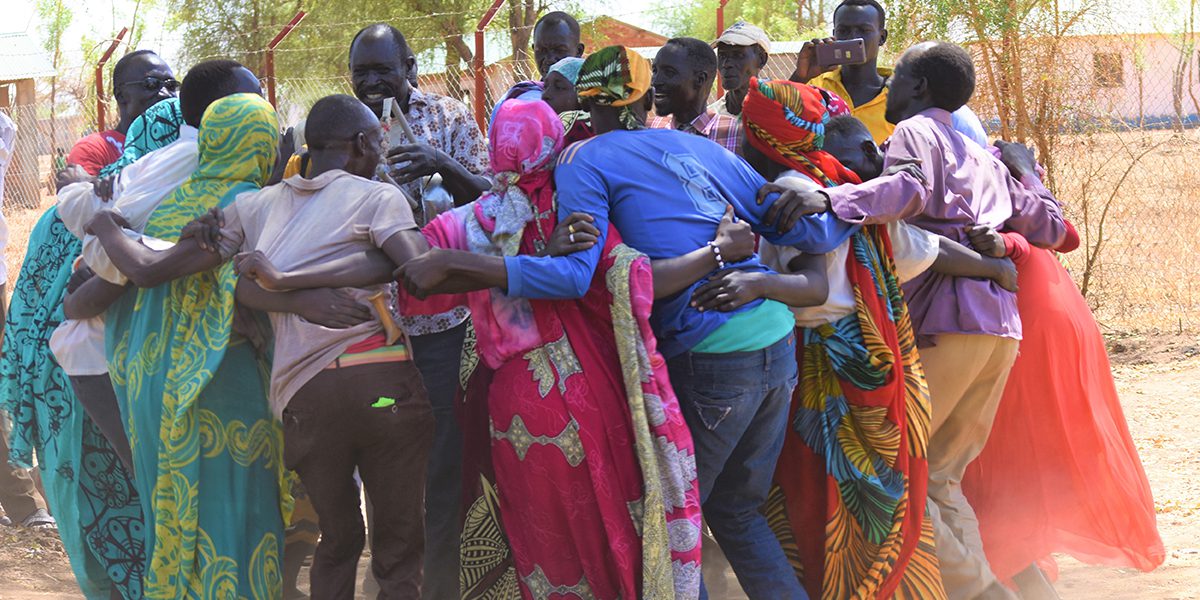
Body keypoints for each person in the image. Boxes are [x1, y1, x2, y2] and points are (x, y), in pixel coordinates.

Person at [397, 45, 858, 599]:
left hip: (709, 355)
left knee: (666, 531)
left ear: (581, 106)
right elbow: (806, 232)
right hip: (775, 345)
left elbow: (573, 276)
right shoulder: (700, 148)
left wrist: (478, 268)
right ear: (645, 98)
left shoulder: (581, 161)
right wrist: (828, 200)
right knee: (735, 510)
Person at [779, 42, 1068, 600]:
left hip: (944, 320)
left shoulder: (917, 132)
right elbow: (1051, 228)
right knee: (940, 478)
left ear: (921, 91)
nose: (892, 89)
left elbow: (907, 189)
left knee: (900, 477)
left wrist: (833, 200)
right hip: (1000, 329)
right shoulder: (981, 154)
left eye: (901, 80)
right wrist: (1028, 175)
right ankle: (992, 591)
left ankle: (985, 593)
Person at [719, 85, 1014, 598]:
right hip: (879, 363)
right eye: (865, 147)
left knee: (824, 503)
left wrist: (756, 281)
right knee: (885, 500)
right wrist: (993, 267)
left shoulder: (800, 192)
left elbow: (818, 284)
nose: (877, 155)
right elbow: (928, 247)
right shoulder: (843, 190)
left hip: (823, 369)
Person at [86, 93, 287, 598]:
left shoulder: (166, 203)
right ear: (261, 143)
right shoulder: (255, 203)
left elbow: (116, 291)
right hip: (225, 380)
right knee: (237, 509)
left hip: (153, 387)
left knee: (175, 513)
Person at [350, 23, 489, 597]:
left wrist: (441, 165)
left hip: (442, 330)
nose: (374, 82)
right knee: (387, 461)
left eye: (385, 69)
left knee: (441, 462)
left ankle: (440, 587)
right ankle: (395, 584)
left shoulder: (450, 120)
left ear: (410, 68)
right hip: (375, 333)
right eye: (363, 72)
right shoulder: (345, 130)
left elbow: (497, 201)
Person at [961, 228, 1164, 592]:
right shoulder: (1017, 175)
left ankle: (1017, 583)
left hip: (1020, 315)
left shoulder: (960, 173)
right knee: (1000, 468)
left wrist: (1011, 243)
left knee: (990, 468)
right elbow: (1063, 234)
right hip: (1047, 302)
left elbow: (1058, 234)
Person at [792, 0, 987, 146]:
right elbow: (774, 129)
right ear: (834, 33)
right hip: (823, 194)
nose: (853, 38)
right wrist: (800, 78)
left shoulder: (909, 93)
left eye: (863, 30)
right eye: (844, 30)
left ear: (882, 37)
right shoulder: (814, 87)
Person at [67, 50, 176, 176]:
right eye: (151, 84)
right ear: (121, 95)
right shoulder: (95, 150)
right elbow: (84, 195)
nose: (165, 94)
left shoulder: (188, 143)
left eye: (171, 85)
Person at [649, 38, 741, 154]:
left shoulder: (736, 134)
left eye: (669, 72)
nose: (656, 82)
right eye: (655, 71)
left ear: (700, 79)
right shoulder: (649, 130)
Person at [711, 21, 770, 118]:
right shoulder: (711, 119)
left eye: (738, 55)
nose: (727, 64)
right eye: (722, 56)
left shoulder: (777, 115)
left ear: (761, 59)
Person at [541, 57, 594, 144]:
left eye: (559, 87)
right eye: (545, 87)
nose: (545, 95)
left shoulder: (582, 129)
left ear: (584, 95)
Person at [533, 11, 585, 78]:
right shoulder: (526, 88)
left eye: (560, 50)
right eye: (542, 50)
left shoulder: (596, 87)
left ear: (578, 51)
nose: (550, 59)